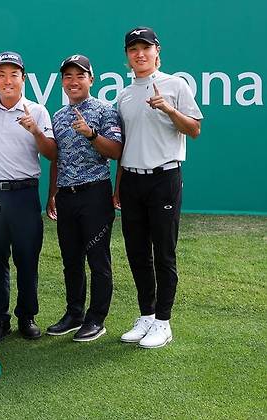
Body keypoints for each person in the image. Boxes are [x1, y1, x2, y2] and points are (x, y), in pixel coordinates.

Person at [115, 27, 203, 348]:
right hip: (132, 181)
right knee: (137, 252)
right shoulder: (123, 95)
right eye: (133, 49)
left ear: (156, 51)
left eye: (145, 48)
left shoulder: (175, 85)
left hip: (164, 178)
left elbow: (194, 129)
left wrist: (168, 108)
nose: (139, 54)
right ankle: (147, 316)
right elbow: (125, 146)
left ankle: (164, 322)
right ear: (127, 56)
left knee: (163, 252)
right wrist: (118, 187)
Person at [0, 51, 54, 343]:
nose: (7, 80)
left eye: (13, 74)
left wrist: (35, 130)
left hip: (24, 194)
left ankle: (27, 316)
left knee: (27, 258)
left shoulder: (38, 111)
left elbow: (51, 153)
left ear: (23, 78)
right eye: (1, 75)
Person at [44, 55, 123, 342]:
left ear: (91, 79)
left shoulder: (105, 110)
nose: (73, 81)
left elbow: (115, 151)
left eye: (80, 76)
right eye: (68, 76)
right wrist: (52, 193)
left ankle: (96, 319)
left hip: (95, 194)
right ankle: (74, 313)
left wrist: (91, 134)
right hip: (66, 196)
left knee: (97, 259)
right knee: (70, 259)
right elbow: (56, 158)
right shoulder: (58, 115)